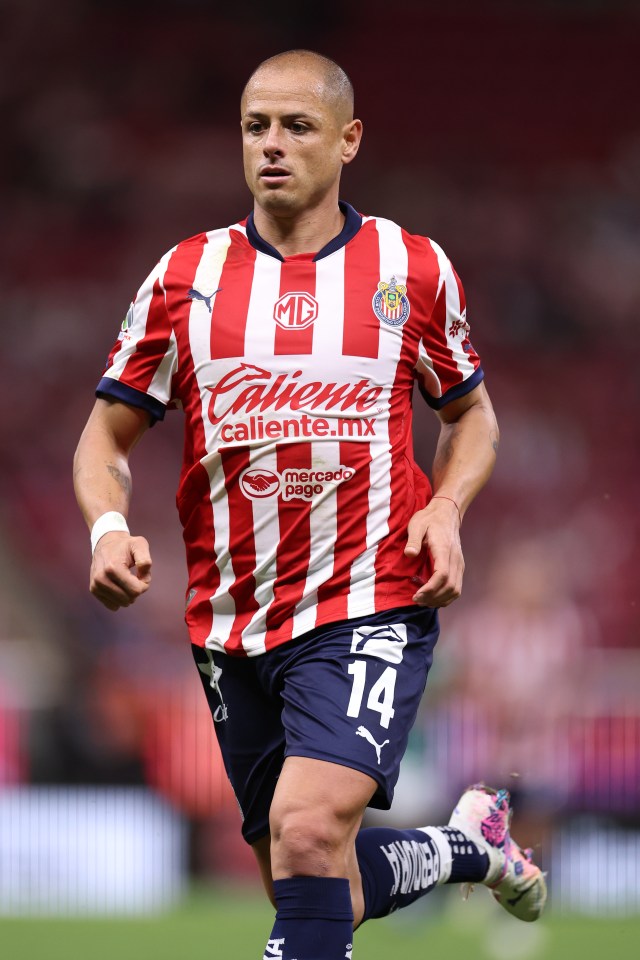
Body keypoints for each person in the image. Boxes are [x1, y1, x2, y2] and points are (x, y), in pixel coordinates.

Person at [74, 49, 546, 959]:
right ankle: (465, 846)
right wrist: (105, 526)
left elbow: (472, 417)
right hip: (230, 623)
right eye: (256, 127)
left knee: (305, 834)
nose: (273, 146)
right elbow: (103, 438)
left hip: (370, 600)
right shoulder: (184, 278)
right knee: (316, 877)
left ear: (348, 140)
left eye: (297, 126)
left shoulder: (411, 267)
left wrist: (445, 508)